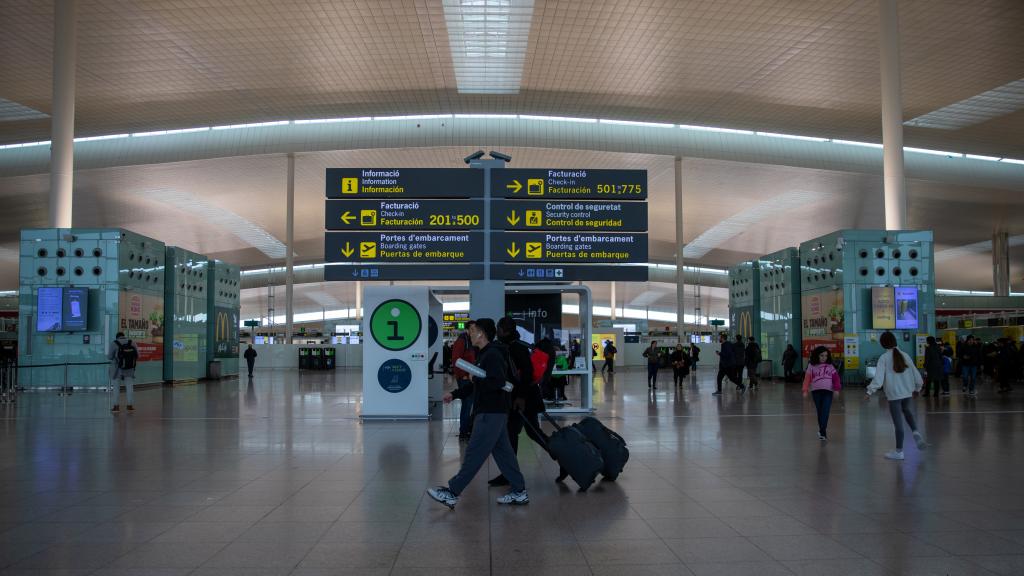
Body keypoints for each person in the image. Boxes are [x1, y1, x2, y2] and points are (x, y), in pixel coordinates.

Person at [428, 318, 528, 509]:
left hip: (490, 412)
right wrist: (455, 393)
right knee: (504, 454)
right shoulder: (484, 354)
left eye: (473, 331)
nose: (470, 334)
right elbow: (478, 384)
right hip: (494, 411)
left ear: (482, 333)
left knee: (474, 453)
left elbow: (496, 382)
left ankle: (452, 492)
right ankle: (519, 491)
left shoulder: (492, 355)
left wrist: (476, 378)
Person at [489, 316, 547, 487]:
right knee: (526, 433)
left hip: (523, 399)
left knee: (517, 434)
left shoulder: (516, 348)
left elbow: (527, 372)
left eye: (499, 329)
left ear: (505, 330)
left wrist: (520, 397)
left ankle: (562, 457)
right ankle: (509, 472)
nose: (497, 333)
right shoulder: (511, 346)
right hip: (521, 398)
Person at [865, 331, 927, 461]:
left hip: (894, 394)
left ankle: (899, 451)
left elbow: (879, 379)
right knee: (907, 411)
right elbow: (916, 374)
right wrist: (917, 388)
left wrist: (869, 391)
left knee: (898, 424)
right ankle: (915, 431)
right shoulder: (905, 355)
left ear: (883, 344)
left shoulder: (884, 358)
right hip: (907, 392)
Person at [802, 346, 841, 440]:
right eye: (822, 355)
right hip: (816, 392)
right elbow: (807, 379)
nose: (824, 358)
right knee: (820, 412)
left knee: (825, 411)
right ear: (817, 356)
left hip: (828, 392)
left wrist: (836, 389)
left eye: (826, 356)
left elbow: (836, 379)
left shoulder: (830, 366)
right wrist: (805, 390)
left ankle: (823, 431)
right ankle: (822, 431)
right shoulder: (811, 366)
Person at [451, 322, 477, 440]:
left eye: (475, 328)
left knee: (469, 404)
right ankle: (463, 432)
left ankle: (467, 430)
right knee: (467, 404)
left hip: (472, 377)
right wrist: (463, 376)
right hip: (465, 378)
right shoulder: (462, 341)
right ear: (467, 329)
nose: (474, 330)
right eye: (471, 328)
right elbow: (456, 360)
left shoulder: (472, 341)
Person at [108, 332, 139, 413]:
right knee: (129, 387)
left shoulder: (114, 343)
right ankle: (130, 406)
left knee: (116, 388)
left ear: (117, 337)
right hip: (129, 369)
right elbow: (138, 355)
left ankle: (116, 407)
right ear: (124, 336)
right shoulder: (132, 342)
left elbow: (109, 357)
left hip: (116, 370)